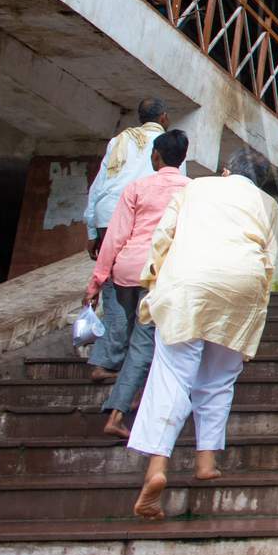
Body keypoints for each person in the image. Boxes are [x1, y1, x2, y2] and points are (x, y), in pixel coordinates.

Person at [128, 147, 278, 521]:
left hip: (188, 281)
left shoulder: (195, 188)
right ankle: (206, 460)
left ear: (227, 171)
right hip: (241, 283)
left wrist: (152, 284)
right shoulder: (268, 205)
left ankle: (157, 468)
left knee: (172, 375)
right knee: (220, 377)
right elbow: (270, 261)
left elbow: (163, 237)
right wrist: (255, 315)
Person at [84, 129, 191, 439]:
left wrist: (96, 282)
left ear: (155, 157)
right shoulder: (191, 191)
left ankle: (125, 385)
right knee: (144, 344)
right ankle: (117, 413)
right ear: (182, 158)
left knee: (132, 333)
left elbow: (116, 236)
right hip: (159, 272)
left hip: (126, 269)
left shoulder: (136, 187)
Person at [84, 98, 171, 383]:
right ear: (164, 117)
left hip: (108, 216)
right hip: (145, 220)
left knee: (114, 292)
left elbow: (99, 186)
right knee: (142, 291)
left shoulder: (119, 140)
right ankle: (118, 360)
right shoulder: (169, 145)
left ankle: (109, 360)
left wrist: (91, 229)